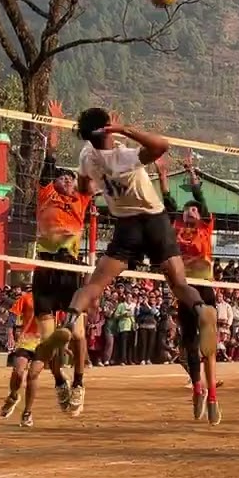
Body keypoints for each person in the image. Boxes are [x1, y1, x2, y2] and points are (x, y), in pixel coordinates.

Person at [35, 107, 215, 389]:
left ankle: (69, 321)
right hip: (154, 222)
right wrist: (124, 129)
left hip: (126, 227)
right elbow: (161, 145)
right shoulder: (125, 157)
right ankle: (203, 309)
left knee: (94, 285)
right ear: (107, 128)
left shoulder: (87, 156)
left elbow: (83, 185)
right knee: (179, 285)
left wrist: (93, 183)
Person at [34, 102, 94, 416]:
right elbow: (50, 158)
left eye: (71, 179)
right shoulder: (46, 194)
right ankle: (59, 381)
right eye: (62, 179)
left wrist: (99, 135)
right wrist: (55, 125)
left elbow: (89, 169)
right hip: (44, 268)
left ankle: (80, 383)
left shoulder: (81, 201)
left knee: (78, 334)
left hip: (70, 270)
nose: (67, 181)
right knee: (48, 342)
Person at [164, 154, 222, 425]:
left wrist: (191, 171)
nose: (191, 211)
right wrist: (162, 173)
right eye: (188, 209)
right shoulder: (176, 225)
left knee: (208, 346)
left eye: (195, 210)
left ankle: (212, 397)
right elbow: (167, 201)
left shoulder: (205, 227)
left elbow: (200, 196)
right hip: (185, 290)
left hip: (205, 289)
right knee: (189, 344)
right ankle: (197, 391)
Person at [0, 290, 44, 427]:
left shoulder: (56, 299)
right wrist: (10, 333)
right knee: (18, 371)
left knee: (33, 375)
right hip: (27, 340)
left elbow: (62, 321)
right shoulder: (27, 298)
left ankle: (27, 412)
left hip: (44, 342)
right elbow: (13, 314)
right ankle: (13, 395)